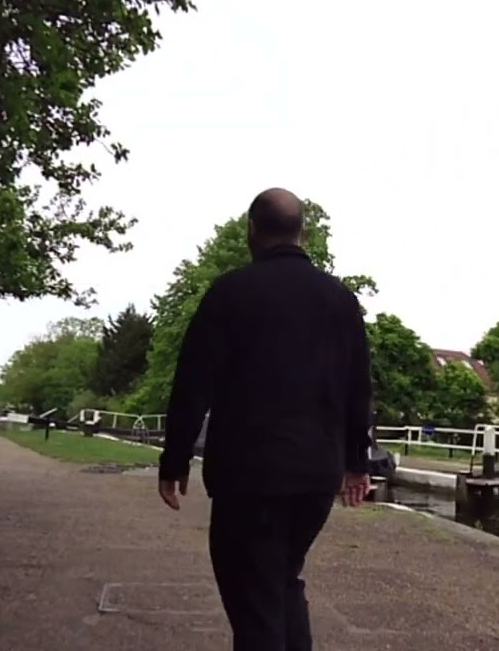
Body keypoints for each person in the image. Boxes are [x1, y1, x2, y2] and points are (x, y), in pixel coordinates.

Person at [158, 187, 373, 651]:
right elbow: (359, 387)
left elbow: (193, 384)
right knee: (280, 582)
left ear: (252, 230)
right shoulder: (341, 301)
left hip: (249, 479)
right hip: (316, 478)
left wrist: (174, 460)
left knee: (254, 602)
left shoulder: (230, 294)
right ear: (304, 233)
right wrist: (358, 461)